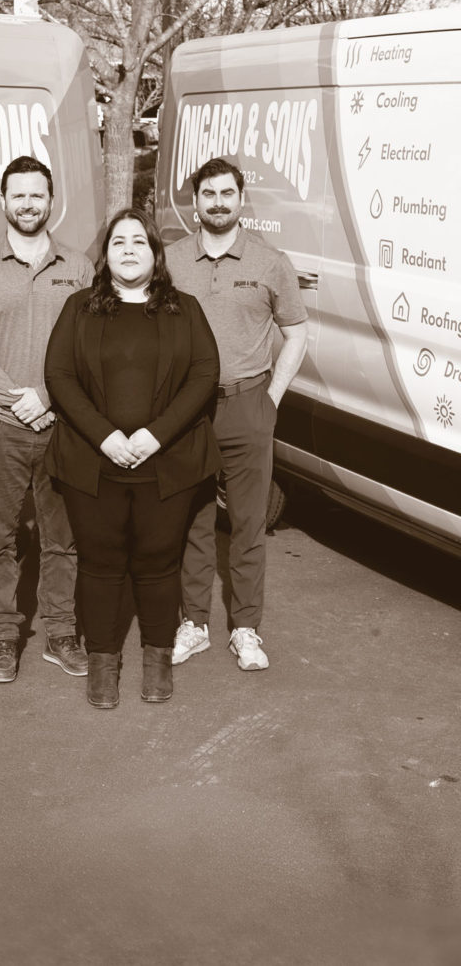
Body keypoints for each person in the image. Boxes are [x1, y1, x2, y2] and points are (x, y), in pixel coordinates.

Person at [44, 208, 221, 708]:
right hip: (93, 462)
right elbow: (59, 376)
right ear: (105, 254)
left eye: (139, 241)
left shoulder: (184, 309)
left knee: (158, 563)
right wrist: (105, 436)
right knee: (100, 564)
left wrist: (155, 435)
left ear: (155, 253)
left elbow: (205, 374)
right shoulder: (79, 307)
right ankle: (103, 662)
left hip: (165, 463)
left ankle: (157, 659)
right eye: (118, 241)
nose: (128, 250)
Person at [0, 156, 94, 684]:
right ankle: (3, 637)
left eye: (37, 195)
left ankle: (60, 632)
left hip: (63, 425)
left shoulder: (79, 267)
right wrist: (18, 401)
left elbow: (90, 345)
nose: (28, 204)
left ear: (51, 200)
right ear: (4, 201)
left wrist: (48, 397)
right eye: (19, 195)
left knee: (63, 538)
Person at [166, 157, 308, 671]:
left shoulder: (270, 263)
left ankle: (246, 628)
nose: (218, 202)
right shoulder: (171, 262)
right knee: (193, 520)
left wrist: (272, 398)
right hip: (187, 410)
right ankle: (194, 623)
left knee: (248, 525)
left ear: (241, 199)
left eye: (227, 193)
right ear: (196, 203)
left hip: (248, 403)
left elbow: (296, 333)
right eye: (208, 194)